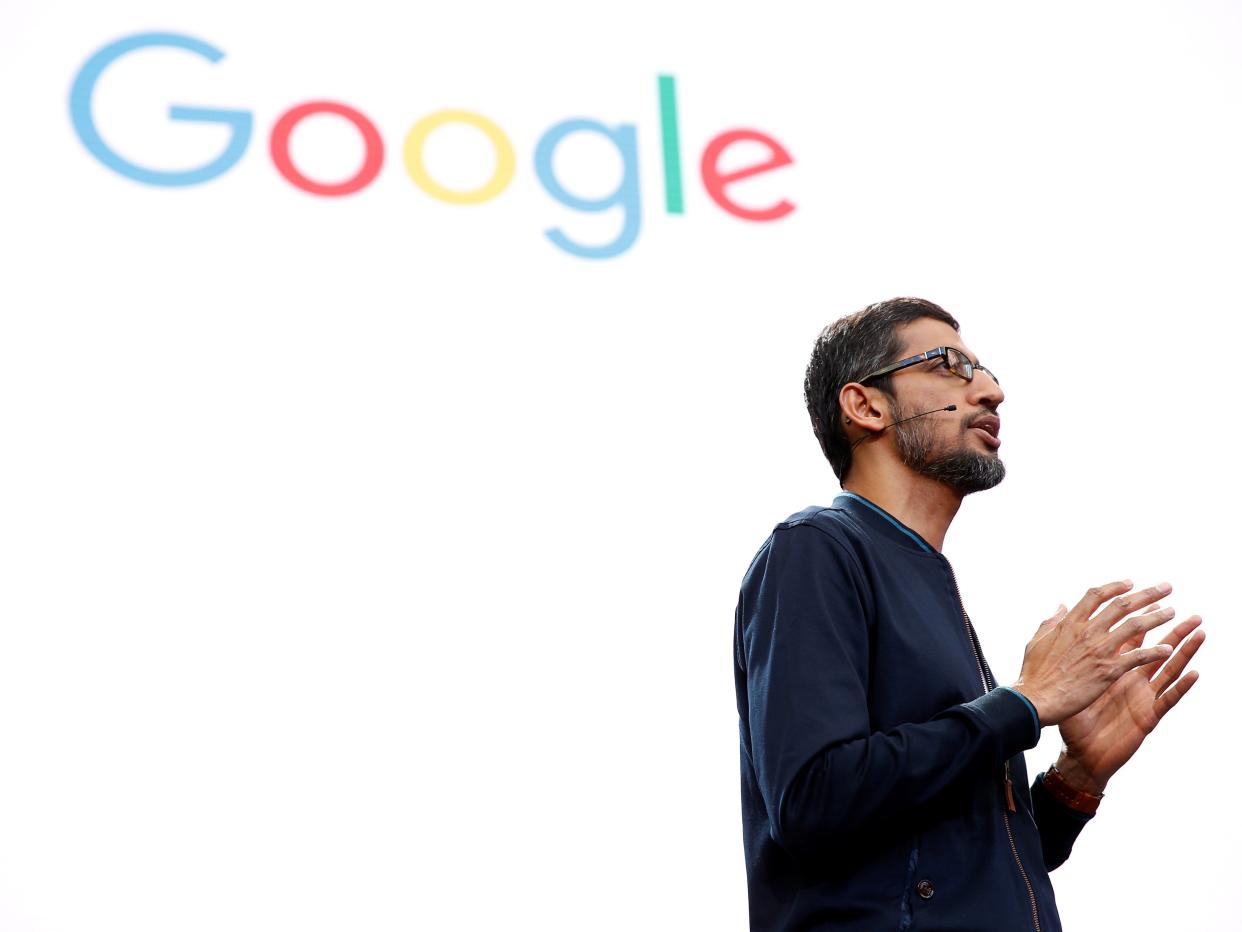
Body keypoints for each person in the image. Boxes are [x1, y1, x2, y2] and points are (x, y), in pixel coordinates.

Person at [732, 298, 1205, 931]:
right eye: (953, 365)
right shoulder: (817, 548)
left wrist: (1075, 779)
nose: (993, 391)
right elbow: (816, 800)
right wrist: (1024, 703)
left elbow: (967, 868)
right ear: (866, 406)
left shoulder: (931, 585)